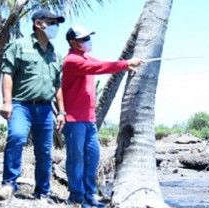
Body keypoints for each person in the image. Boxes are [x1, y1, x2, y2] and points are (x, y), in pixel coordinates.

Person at [61, 25, 143, 207]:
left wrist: (125, 66)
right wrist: (126, 63)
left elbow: (102, 64)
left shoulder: (85, 57)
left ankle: (89, 195)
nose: (87, 42)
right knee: (76, 159)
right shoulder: (72, 61)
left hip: (89, 120)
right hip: (74, 120)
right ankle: (76, 197)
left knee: (92, 156)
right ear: (73, 43)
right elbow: (99, 67)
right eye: (83, 39)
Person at [0, 9, 66, 200]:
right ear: (38, 23)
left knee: (44, 151)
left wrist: (61, 112)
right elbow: (7, 74)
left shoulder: (56, 54)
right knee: (16, 137)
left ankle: (43, 191)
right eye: (51, 22)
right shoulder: (19, 46)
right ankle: (9, 184)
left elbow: (57, 86)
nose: (54, 26)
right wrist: (7, 103)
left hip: (44, 109)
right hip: (21, 105)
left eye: (56, 23)